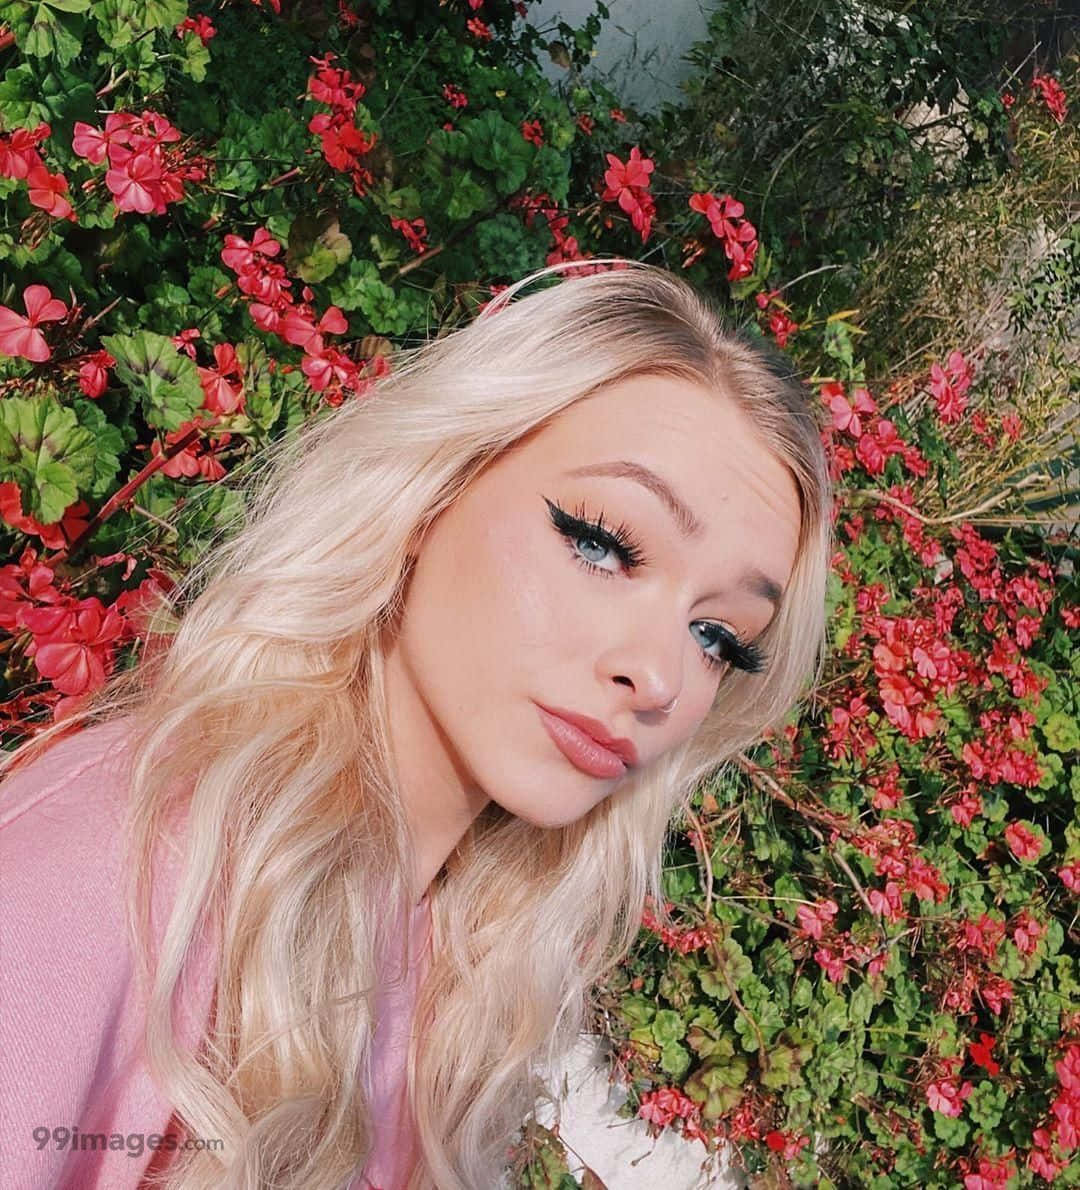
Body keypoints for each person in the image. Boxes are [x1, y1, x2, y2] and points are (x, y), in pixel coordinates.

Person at [0, 258, 833, 1190]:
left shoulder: (470, 956)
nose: (660, 676)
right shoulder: (117, 871)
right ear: (433, 488)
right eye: (602, 543)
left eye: (720, 636)